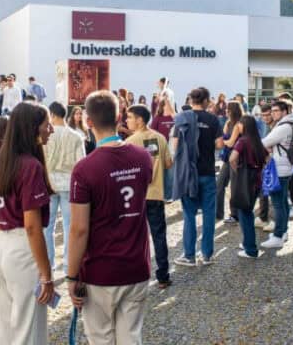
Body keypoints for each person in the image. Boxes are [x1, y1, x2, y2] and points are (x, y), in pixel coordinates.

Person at [67, 91, 153, 343]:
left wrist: (72, 276)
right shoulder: (143, 158)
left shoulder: (84, 169)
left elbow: (79, 229)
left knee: (101, 338)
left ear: (87, 121)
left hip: (101, 269)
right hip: (136, 264)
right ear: (119, 117)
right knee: (131, 337)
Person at [0, 102, 54, 344]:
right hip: (22, 247)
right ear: (33, 128)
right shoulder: (30, 166)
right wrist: (46, 274)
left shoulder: (1, 162)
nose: (51, 130)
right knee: (28, 328)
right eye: (47, 125)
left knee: (5, 325)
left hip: (1, 244)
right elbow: (32, 226)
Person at [173, 87, 223, 267]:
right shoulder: (213, 119)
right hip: (208, 172)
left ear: (191, 100)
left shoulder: (181, 118)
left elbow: (176, 144)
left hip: (188, 173)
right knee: (209, 214)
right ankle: (207, 255)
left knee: (189, 214)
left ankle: (189, 255)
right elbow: (219, 145)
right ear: (207, 101)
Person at [126, 104, 173, 288]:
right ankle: (163, 275)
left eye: (130, 117)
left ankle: (136, 274)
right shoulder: (160, 138)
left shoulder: (130, 142)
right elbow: (169, 163)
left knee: (135, 236)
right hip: (156, 193)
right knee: (159, 235)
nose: (126, 120)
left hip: (137, 196)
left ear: (139, 120)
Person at [42, 102, 85, 273]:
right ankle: (69, 263)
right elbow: (81, 164)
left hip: (49, 184)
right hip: (69, 183)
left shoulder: (45, 135)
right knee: (70, 226)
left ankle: (48, 263)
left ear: (52, 114)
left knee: (48, 225)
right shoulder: (75, 136)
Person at [259, 100, 293, 249]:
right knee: (282, 202)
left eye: (276, 111)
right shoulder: (290, 124)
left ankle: (278, 236)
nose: (273, 113)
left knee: (278, 204)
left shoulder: (282, 127)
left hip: (280, 169)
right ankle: (283, 231)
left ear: (284, 112)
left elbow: (264, 142)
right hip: (286, 167)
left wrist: (269, 146)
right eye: (272, 110)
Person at [229, 115, 268, 259]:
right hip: (257, 179)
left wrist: (237, 170)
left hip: (245, 179)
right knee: (248, 211)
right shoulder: (258, 141)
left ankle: (251, 249)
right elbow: (267, 159)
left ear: (244, 125)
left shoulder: (242, 141)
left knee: (244, 213)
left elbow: (232, 158)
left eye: (239, 124)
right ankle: (247, 243)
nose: (237, 126)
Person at [216, 101, 245, 223]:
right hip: (228, 157)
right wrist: (224, 141)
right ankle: (218, 213)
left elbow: (230, 142)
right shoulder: (228, 123)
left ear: (234, 111)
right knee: (220, 184)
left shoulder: (240, 124)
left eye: (229, 109)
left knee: (234, 187)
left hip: (237, 158)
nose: (226, 111)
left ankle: (235, 215)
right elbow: (223, 139)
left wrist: (224, 142)